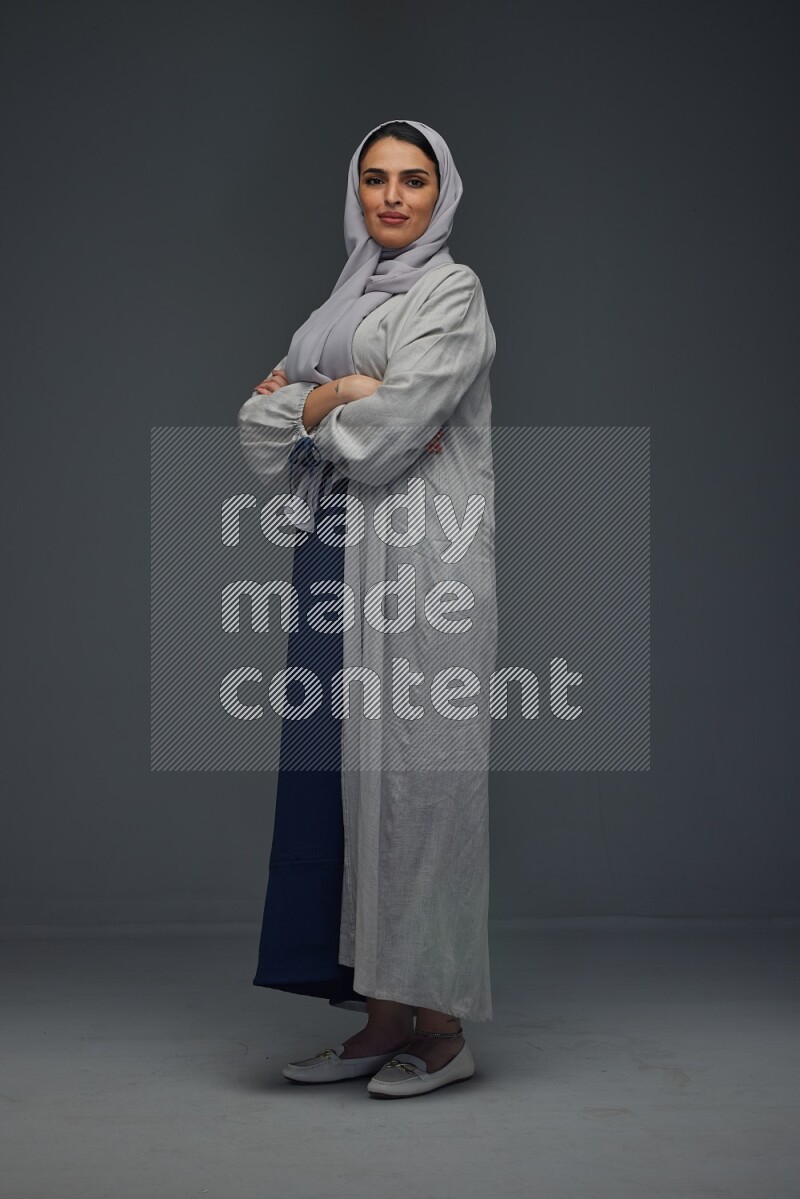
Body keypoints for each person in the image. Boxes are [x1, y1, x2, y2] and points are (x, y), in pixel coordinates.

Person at [238, 119, 497, 1098]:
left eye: (414, 181)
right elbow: (255, 422)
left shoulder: (452, 293)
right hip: (333, 561)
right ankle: (379, 1016)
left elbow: (390, 438)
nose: (393, 197)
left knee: (419, 795)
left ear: (442, 194)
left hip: (423, 572)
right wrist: (336, 393)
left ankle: (439, 1029)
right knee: (345, 790)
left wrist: (318, 405)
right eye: (377, 180)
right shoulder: (330, 312)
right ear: (357, 194)